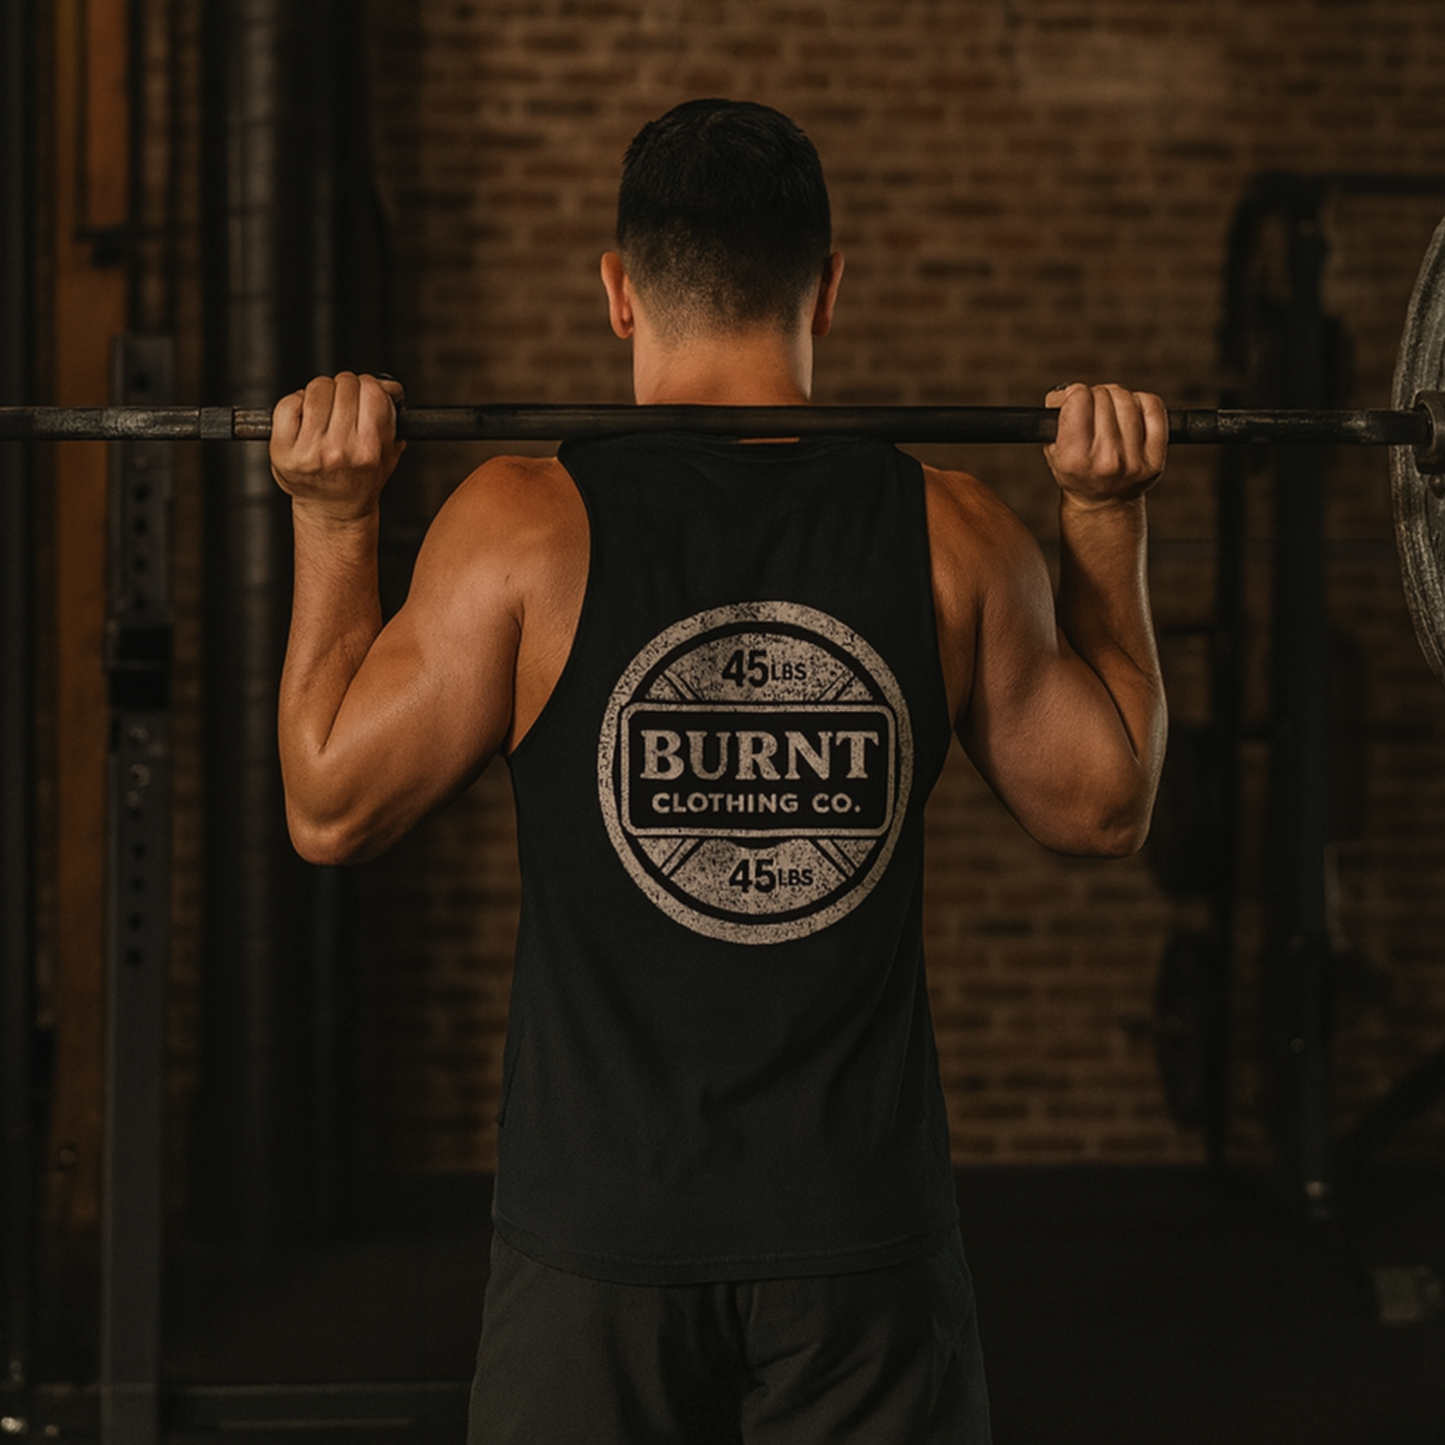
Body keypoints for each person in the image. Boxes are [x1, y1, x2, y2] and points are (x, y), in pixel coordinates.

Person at [269, 99, 1167, 1445]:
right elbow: (1106, 806)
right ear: (830, 285)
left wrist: (334, 519)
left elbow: (329, 805)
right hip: (860, 1240)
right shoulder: (957, 534)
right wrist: (1105, 521)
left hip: (598, 1241)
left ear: (620, 292)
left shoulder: (523, 528)